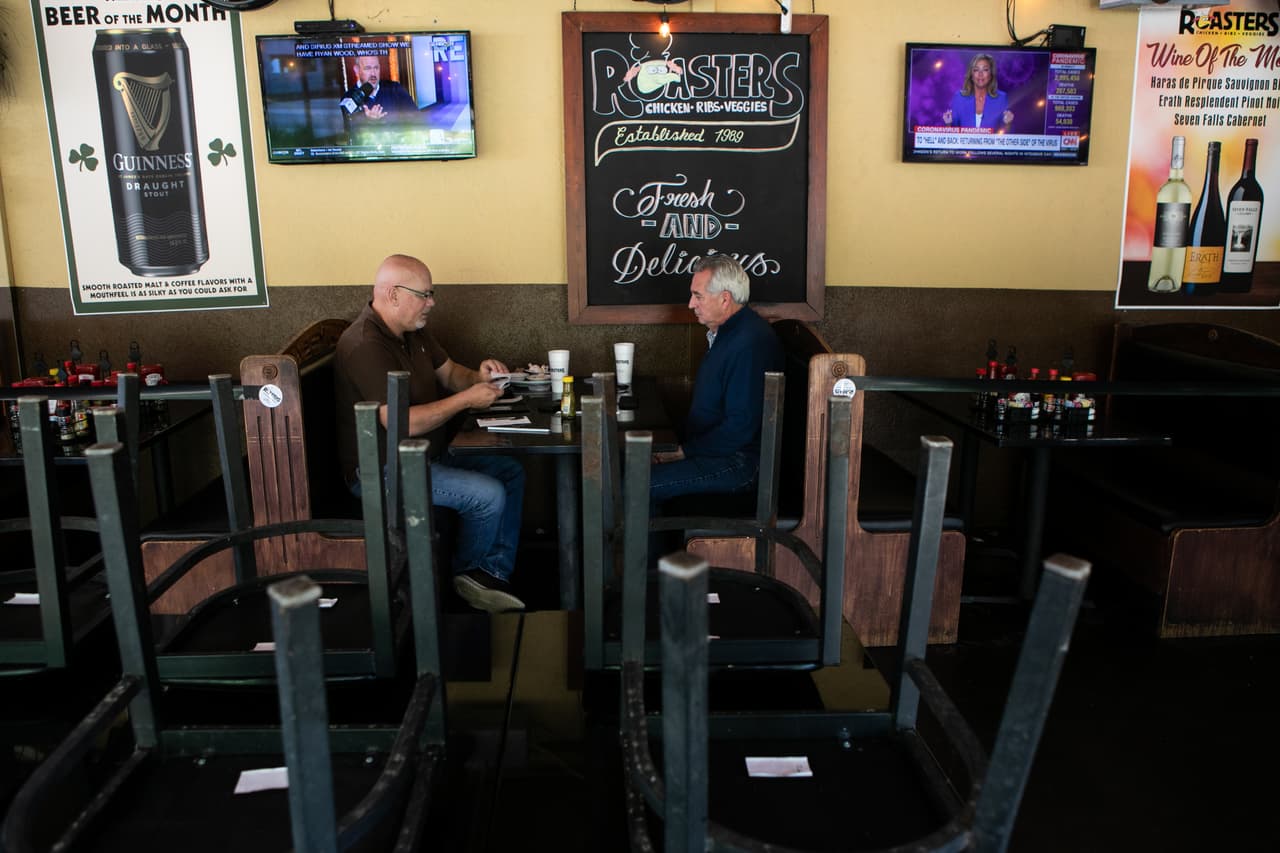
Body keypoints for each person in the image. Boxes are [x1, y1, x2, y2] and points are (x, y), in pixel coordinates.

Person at [334, 254, 526, 613]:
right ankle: (466, 581)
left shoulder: (414, 330)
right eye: (424, 294)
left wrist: (480, 377)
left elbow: (452, 373)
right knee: (488, 495)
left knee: (509, 470)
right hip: (382, 472)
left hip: (424, 456)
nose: (432, 302)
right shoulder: (364, 344)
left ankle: (490, 571)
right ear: (392, 294)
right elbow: (401, 423)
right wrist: (466, 400)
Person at [650, 253, 784, 506]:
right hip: (717, 452)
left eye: (698, 296)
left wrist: (683, 452)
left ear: (725, 299)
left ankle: (653, 548)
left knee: (638, 483)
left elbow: (741, 427)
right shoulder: (728, 334)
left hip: (740, 464)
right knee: (632, 469)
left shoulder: (749, 344)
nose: (691, 304)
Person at [942, 53, 1013, 131]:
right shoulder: (959, 98)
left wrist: (1008, 124)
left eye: (985, 70)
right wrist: (948, 124)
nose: (980, 74)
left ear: (991, 74)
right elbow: (953, 134)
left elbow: (1006, 135)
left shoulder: (1001, 98)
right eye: (976, 70)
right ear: (971, 75)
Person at [347, 55, 418, 121]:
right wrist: (368, 121)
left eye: (376, 68)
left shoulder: (395, 89)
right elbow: (351, 131)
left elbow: (416, 117)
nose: (373, 74)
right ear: (356, 70)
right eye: (368, 68)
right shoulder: (348, 98)